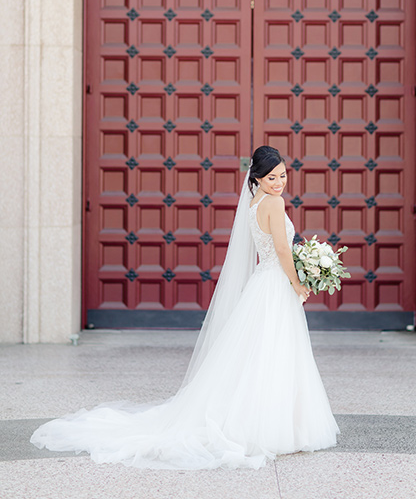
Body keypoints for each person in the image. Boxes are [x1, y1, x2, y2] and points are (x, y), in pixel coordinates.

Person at [31, 145, 339, 470]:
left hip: (263, 284)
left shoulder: (254, 203)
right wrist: (298, 283)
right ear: (258, 178)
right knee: (275, 352)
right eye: (271, 177)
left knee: (260, 354)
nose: (279, 183)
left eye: (283, 176)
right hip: (275, 284)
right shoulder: (274, 203)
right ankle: (275, 427)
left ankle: (267, 421)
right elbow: (279, 248)